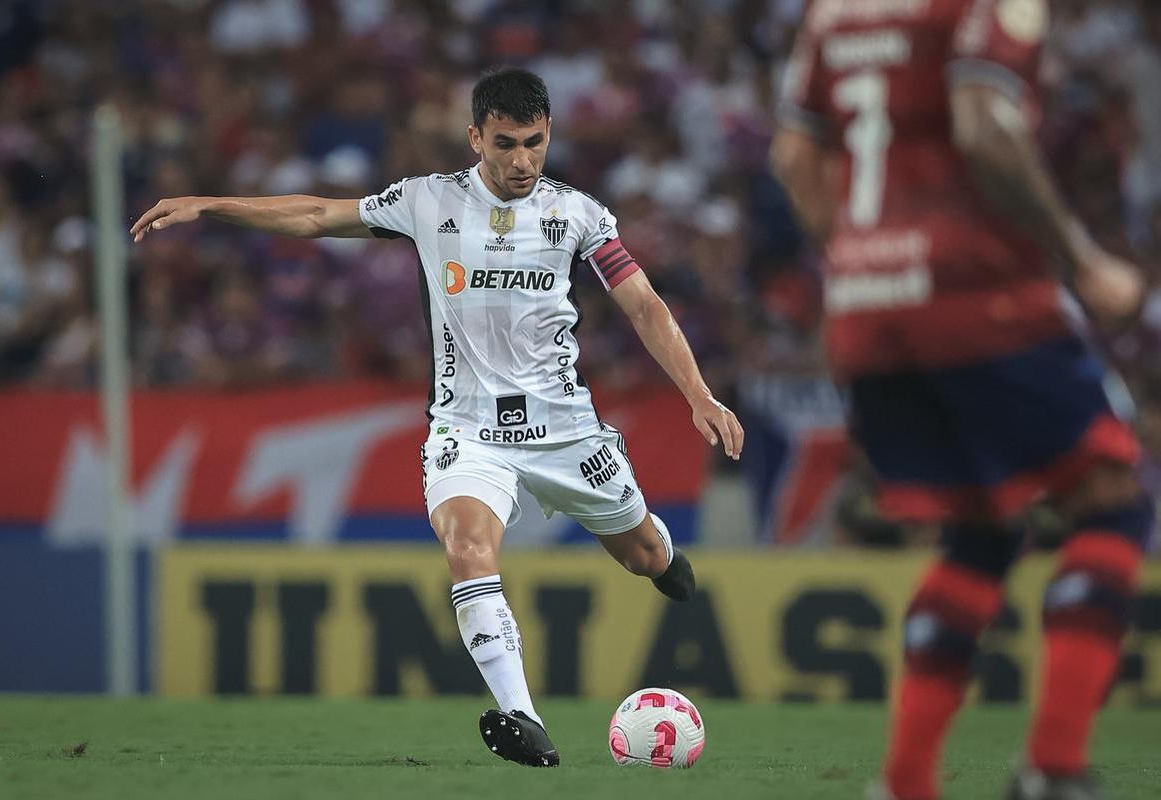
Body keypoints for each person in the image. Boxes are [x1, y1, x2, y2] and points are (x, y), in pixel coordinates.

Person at [132, 66, 743, 768]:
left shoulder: (578, 213)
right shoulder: (427, 201)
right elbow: (315, 215)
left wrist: (698, 393)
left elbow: (644, 305)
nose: (521, 161)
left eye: (535, 144)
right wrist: (210, 205)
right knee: (467, 548)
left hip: (566, 429)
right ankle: (524, 717)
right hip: (468, 429)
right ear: (475, 136)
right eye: (506, 143)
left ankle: (662, 553)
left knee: (643, 557)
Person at [770, 2, 1150, 799]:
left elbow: (795, 156)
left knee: (981, 531)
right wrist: (1081, 258)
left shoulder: (833, 12)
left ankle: (905, 782)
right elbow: (983, 126)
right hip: (978, 289)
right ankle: (1054, 767)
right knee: (1110, 500)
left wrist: (861, 265)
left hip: (866, 305)